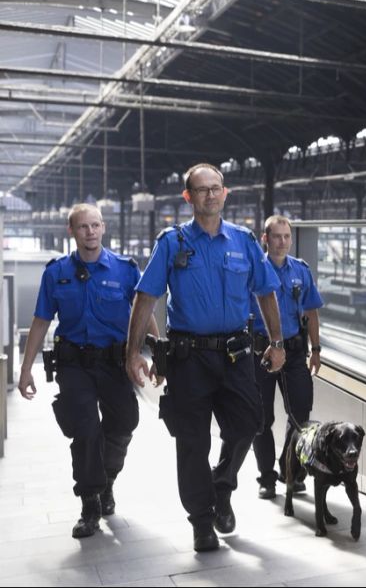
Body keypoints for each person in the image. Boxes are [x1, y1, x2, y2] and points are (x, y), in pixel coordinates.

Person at [125, 163, 285, 553]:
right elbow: (146, 298)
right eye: (201, 190)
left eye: (216, 188)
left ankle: (222, 485)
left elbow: (265, 292)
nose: (210, 195)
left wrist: (277, 341)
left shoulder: (244, 241)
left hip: (236, 354)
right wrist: (133, 353)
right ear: (188, 197)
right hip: (189, 359)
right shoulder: (172, 242)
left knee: (250, 422)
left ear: (225, 193)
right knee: (192, 441)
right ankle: (201, 521)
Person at [18, 203, 155, 539]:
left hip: (114, 363)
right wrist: (25, 370)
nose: (90, 232)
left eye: (95, 225)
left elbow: (144, 312)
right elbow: (40, 321)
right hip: (73, 364)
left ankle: (107, 478)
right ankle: (90, 502)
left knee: (125, 422)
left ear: (103, 228)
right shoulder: (56, 273)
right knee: (86, 431)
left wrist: (158, 355)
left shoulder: (124, 270)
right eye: (83, 227)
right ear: (72, 231)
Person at [250, 215, 323, 500]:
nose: (282, 242)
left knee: (301, 415)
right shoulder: (253, 271)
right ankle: (266, 477)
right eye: (276, 236)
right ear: (265, 238)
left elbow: (312, 312)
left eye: (287, 237)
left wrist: (315, 350)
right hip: (261, 352)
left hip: (294, 352)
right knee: (261, 417)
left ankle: (290, 469)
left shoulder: (301, 271)